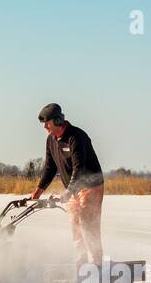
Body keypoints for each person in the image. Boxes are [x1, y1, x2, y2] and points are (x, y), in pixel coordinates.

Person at [30, 102, 105, 266]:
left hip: (90, 186)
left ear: (57, 121)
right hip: (72, 188)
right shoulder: (51, 140)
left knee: (87, 222)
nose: (45, 127)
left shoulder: (76, 137)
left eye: (47, 123)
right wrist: (37, 193)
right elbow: (49, 168)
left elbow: (79, 168)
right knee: (74, 223)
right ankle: (81, 259)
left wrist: (68, 192)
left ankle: (97, 262)